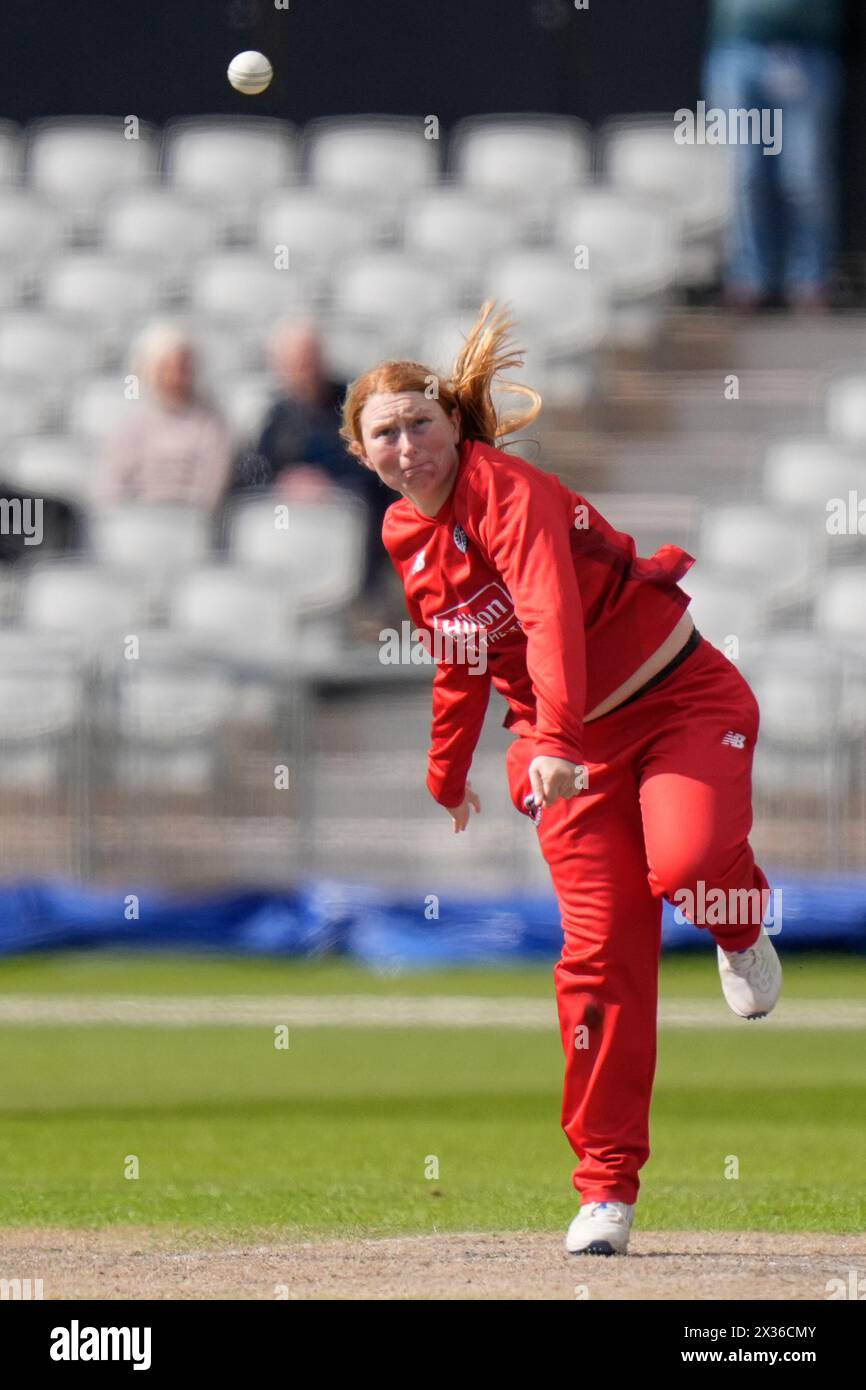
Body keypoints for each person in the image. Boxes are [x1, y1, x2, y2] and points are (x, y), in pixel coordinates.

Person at [339, 300, 782, 1258]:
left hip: (675, 702)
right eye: (386, 433)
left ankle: (741, 927)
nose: (407, 443)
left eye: (421, 422)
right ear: (361, 452)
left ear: (454, 424)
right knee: (599, 958)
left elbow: (548, 617)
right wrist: (447, 773)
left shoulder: (511, 490)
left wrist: (557, 744)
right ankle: (606, 1190)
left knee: (692, 864)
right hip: (562, 743)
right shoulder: (402, 537)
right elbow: (459, 653)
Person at [240, 320, 395, 629]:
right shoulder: (277, 416)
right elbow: (255, 472)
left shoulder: (354, 405)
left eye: (308, 360)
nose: (302, 370)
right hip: (294, 535)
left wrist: (328, 483)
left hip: (353, 523)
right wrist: (283, 482)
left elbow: (374, 468)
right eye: (293, 363)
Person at [702, 0, 847, 311]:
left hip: (806, 52)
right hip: (738, 50)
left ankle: (809, 281)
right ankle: (748, 278)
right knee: (743, 173)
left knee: (804, 175)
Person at [95, 323, 233, 510]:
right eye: (166, 368)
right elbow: (112, 486)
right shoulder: (133, 426)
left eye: (182, 368)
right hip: (140, 519)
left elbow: (211, 489)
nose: (174, 377)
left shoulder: (212, 425)